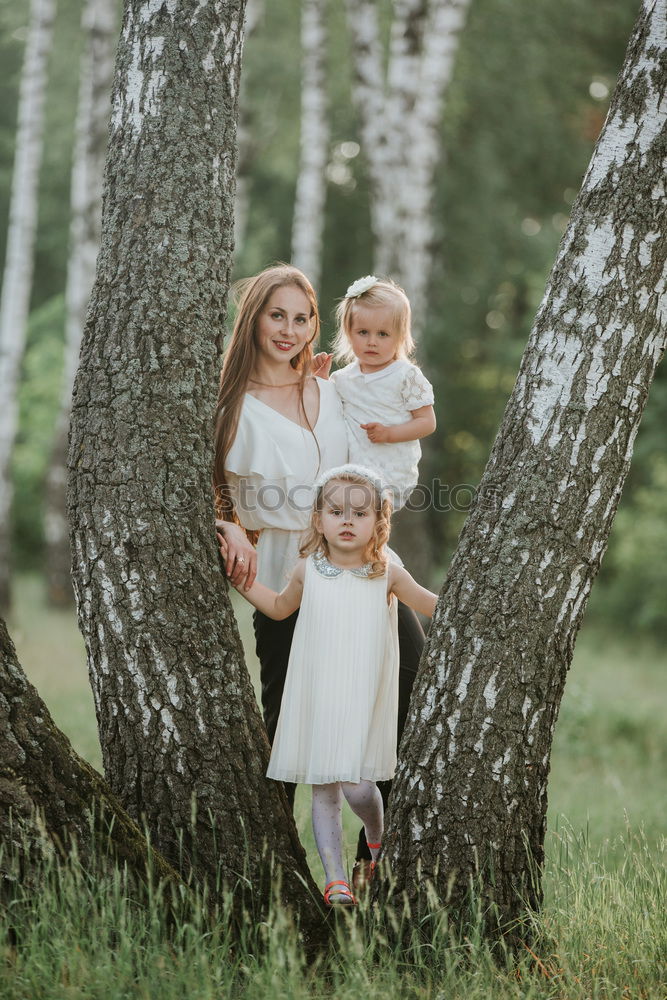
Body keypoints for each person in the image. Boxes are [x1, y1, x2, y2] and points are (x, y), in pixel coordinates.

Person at [213, 264, 427, 888]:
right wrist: (224, 523)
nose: (289, 329)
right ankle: (283, 881)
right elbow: (207, 490)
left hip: (364, 576)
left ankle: (371, 864)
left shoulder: (332, 388)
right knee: (288, 729)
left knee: (405, 700)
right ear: (252, 318)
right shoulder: (232, 409)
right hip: (292, 582)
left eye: (301, 317)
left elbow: (396, 412)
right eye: (276, 315)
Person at [221, 465, 437, 905]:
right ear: (318, 520)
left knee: (358, 786)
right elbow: (279, 609)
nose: (346, 520)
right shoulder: (308, 570)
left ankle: (376, 838)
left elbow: (434, 606)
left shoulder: (387, 573)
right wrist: (239, 580)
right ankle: (335, 879)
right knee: (324, 789)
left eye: (359, 514)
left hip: (363, 697)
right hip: (318, 694)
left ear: (378, 523)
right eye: (336, 511)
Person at [317, 275, 436, 510]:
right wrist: (319, 380)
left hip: (390, 473)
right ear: (349, 333)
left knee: (371, 524)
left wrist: (390, 433)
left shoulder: (405, 375)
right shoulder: (342, 378)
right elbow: (327, 411)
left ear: (400, 336)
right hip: (348, 472)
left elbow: (427, 423)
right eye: (363, 332)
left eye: (383, 334)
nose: (372, 342)